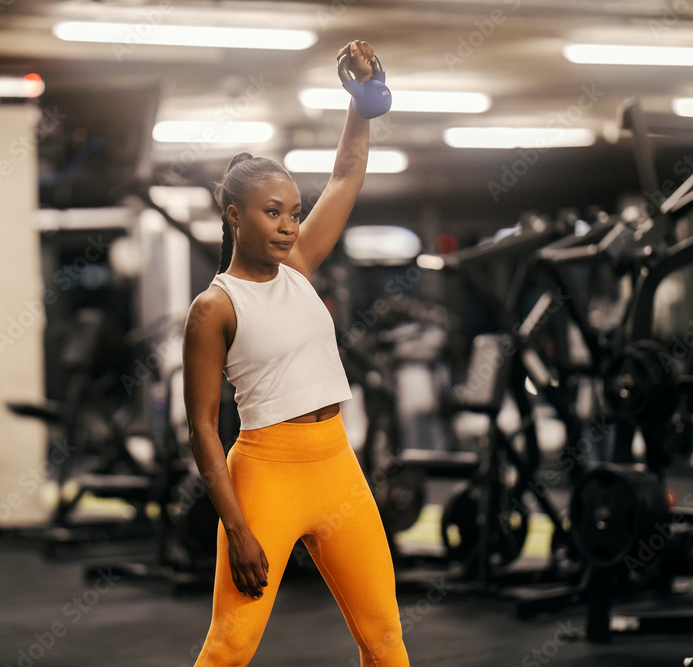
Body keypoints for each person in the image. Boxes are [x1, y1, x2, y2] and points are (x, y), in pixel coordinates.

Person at [181, 40, 411, 666]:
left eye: (294, 213)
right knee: (230, 645)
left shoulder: (301, 265)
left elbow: (346, 172)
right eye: (272, 212)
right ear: (234, 216)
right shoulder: (215, 307)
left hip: (336, 462)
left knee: (384, 639)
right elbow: (202, 426)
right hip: (267, 472)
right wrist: (235, 527)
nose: (288, 224)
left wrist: (360, 100)